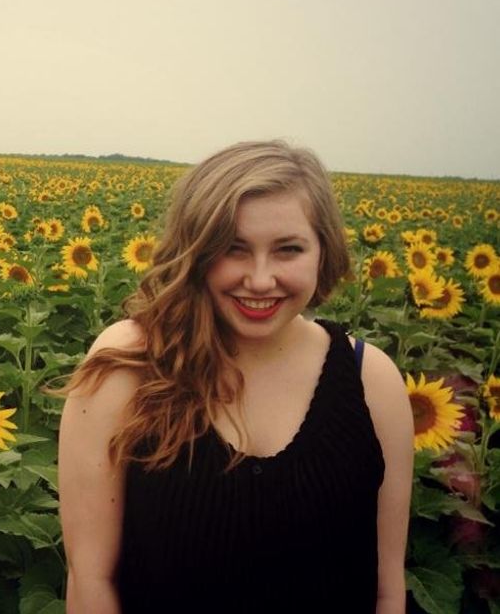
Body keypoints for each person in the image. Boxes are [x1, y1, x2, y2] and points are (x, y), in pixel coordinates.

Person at [57, 140, 414, 614]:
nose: (261, 280)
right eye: (234, 249)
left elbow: (386, 587)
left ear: (323, 251)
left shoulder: (372, 379)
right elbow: (91, 580)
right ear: (195, 250)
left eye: (288, 249)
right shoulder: (130, 365)